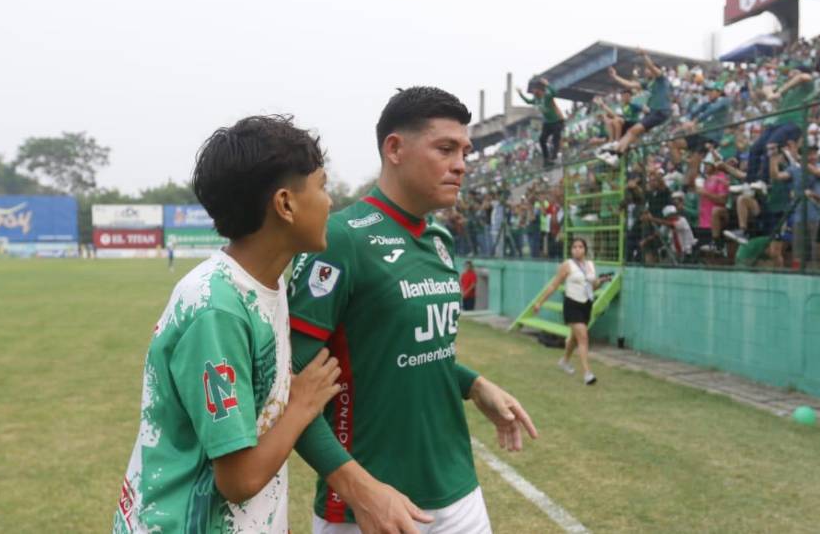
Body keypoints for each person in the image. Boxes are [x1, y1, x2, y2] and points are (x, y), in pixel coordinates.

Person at [287, 87, 538, 533]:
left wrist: (474, 384)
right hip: (369, 508)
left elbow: (408, 349)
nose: (461, 164)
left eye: (465, 151)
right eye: (445, 148)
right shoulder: (340, 240)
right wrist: (360, 489)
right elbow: (289, 382)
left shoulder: (440, 241)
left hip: (459, 493)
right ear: (395, 148)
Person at [113, 116, 342, 533]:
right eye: (323, 186)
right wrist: (302, 405)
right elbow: (238, 480)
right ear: (285, 204)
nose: (331, 202)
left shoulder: (266, 284)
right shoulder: (216, 307)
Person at [532, 238, 611, 385]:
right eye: (574, 247)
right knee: (583, 337)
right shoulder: (567, 265)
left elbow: (592, 287)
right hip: (572, 304)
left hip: (586, 304)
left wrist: (602, 281)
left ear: (585, 250)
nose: (577, 249)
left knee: (574, 338)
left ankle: (564, 361)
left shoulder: (590, 265)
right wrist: (539, 303)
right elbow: (553, 285)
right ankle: (587, 373)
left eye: (580, 247)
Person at [600, 49, 672, 164]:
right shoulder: (647, 83)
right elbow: (630, 84)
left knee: (633, 131)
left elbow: (652, 67)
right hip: (653, 112)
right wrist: (615, 76)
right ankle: (615, 155)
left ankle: (615, 153)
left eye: (647, 69)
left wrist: (644, 55)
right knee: (631, 132)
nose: (646, 71)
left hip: (661, 111)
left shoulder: (661, 79)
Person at [518, 77, 564, 164]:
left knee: (555, 138)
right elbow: (528, 101)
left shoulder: (547, 96)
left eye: (535, 90)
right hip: (547, 123)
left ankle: (554, 156)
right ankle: (546, 159)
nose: (533, 92)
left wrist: (548, 85)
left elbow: (555, 93)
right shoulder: (536, 100)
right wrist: (520, 94)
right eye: (533, 91)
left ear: (540, 90)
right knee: (542, 140)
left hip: (557, 121)